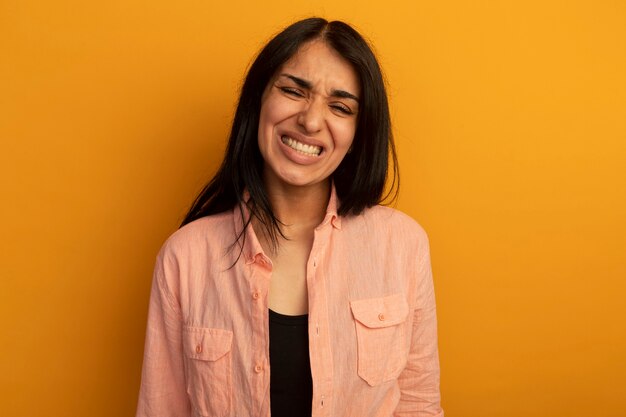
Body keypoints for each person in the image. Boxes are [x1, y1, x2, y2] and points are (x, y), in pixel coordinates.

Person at [136, 17, 443, 417]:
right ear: (257, 102)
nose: (312, 121)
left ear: (357, 135)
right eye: (293, 90)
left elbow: (419, 405)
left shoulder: (402, 246)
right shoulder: (185, 258)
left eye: (340, 107)